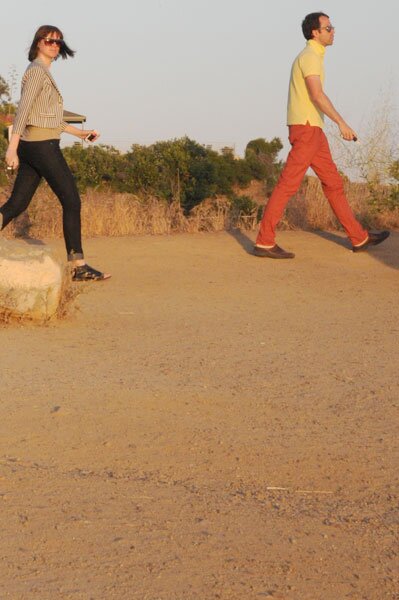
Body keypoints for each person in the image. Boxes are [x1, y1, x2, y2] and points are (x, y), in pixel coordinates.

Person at [254, 12, 389, 259]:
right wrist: (341, 123)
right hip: (307, 129)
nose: (333, 31)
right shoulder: (310, 56)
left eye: (332, 27)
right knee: (288, 185)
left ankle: (359, 237)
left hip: (312, 129)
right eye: (328, 28)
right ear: (315, 32)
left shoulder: (313, 56)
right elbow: (316, 95)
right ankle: (264, 241)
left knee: (333, 184)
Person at [1, 25, 111, 281]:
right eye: (49, 40)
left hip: (35, 145)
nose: (54, 45)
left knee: (17, 204)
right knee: (72, 200)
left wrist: (79, 134)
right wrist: (12, 147)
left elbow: (47, 117)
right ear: (38, 43)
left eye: (58, 42)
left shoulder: (40, 72)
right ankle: (78, 266)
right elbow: (23, 111)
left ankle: (79, 265)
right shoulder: (37, 73)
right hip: (42, 147)